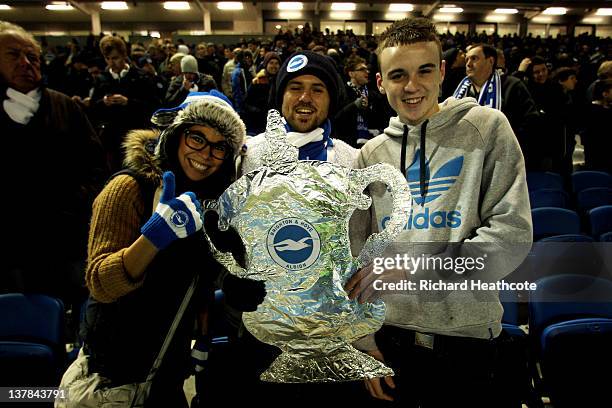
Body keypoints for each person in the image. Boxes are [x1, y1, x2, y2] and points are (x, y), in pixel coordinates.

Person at [345, 17, 532, 407]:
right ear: (381, 83)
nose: (412, 86)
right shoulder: (370, 156)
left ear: (442, 71)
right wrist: (361, 342)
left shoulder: (487, 127)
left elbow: (511, 236)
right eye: (398, 75)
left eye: (424, 71)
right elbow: (353, 259)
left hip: (467, 341)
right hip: (391, 339)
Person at [74, 91, 266, 407]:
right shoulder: (129, 188)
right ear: (175, 136)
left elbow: (197, 282)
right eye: (197, 138)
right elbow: (100, 283)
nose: (206, 153)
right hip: (113, 374)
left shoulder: (209, 206)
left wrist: (208, 327)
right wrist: (152, 239)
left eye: (219, 147)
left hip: (168, 370)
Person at [0, 21, 107, 315]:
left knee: (72, 310)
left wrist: (74, 204)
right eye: (13, 55)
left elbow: (97, 167)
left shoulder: (65, 107)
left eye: (32, 56)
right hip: (11, 245)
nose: (25, 63)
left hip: (65, 237)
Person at [241, 50, 357, 174]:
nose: (305, 98)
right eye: (295, 88)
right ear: (281, 98)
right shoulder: (249, 155)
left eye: (317, 90)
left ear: (330, 101)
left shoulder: (351, 161)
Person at [453, 43, 539, 168]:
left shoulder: (512, 86)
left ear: (491, 61)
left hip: (504, 160)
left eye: (474, 59)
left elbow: (531, 122)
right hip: (466, 161)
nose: (468, 64)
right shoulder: (459, 90)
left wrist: (503, 142)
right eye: (466, 59)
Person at [90, 35, 159, 172]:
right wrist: (103, 102)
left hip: (135, 136)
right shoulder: (101, 79)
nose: (111, 62)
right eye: (107, 58)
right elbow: (93, 107)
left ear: (124, 55)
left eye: (115, 58)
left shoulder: (140, 77)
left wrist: (128, 102)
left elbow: (153, 104)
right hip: (111, 138)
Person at [335, 55, 391, 147]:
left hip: (371, 145)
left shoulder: (373, 95)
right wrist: (354, 106)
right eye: (362, 69)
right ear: (351, 74)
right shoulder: (341, 93)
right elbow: (336, 119)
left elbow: (383, 118)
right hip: (347, 144)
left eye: (367, 69)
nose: (367, 72)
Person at [243, 51, 281, 135]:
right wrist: (258, 112)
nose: (274, 66)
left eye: (277, 63)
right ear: (266, 65)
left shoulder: (281, 82)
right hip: (259, 125)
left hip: (276, 124)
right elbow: (246, 103)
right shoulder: (258, 81)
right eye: (271, 63)